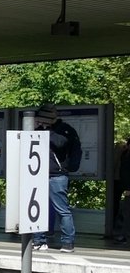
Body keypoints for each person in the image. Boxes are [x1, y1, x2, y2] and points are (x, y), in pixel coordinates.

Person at [32, 103, 82, 253]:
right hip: (38, 174)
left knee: (62, 210)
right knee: (38, 208)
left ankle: (68, 242)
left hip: (57, 175)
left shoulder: (64, 131)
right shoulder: (38, 130)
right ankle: (38, 240)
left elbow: (61, 144)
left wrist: (46, 130)